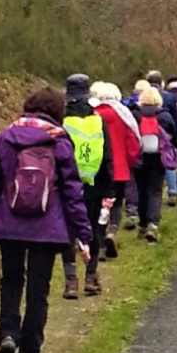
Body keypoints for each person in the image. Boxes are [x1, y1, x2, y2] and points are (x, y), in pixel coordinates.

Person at [0, 86, 93, 353]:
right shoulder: (60, 142)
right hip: (47, 227)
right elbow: (72, 193)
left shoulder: (4, 138)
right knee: (38, 291)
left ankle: (8, 336)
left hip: (8, 225)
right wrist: (83, 235)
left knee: (11, 282)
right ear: (58, 112)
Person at [61, 74, 115, 299]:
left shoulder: (62, 122)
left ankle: (70, 280)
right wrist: (110, 189)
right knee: (94, 230)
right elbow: (107, 156)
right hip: (94, 184)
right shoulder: (98, 120)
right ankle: (91, 277)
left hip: (67, 185)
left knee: (68, 232)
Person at [90, 81, 141, 259]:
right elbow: (132, 142)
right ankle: (112, 231)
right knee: (117, 202)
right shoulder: (123, 115)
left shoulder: (92, 115)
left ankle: (101, 242)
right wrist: (131, 161)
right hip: (119, 168)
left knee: (98, 205)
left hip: (97, 168)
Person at [132, 87, 177, 242]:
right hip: (158, 158)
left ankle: (143, 224)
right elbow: (174, 135)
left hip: (139, 157)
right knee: (155, 191)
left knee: (141, 191)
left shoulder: (135, 115)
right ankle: (153, 224)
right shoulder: (165, 116)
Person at [146, 70, 177, 206]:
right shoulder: (169, 97)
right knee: (168, 160)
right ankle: (172, 191)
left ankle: (149, 191)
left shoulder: (144, 95)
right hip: (166, 131)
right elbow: (175, 117)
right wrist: (175, 135)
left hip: (148, 130)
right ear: (161, 82)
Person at [121, 79, 150, 229]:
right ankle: (137, 212)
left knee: (130, 181)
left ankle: (130, 211)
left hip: (124, 148)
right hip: (141, 148)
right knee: (141, 182)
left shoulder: (125, 105)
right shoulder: (145, 108)